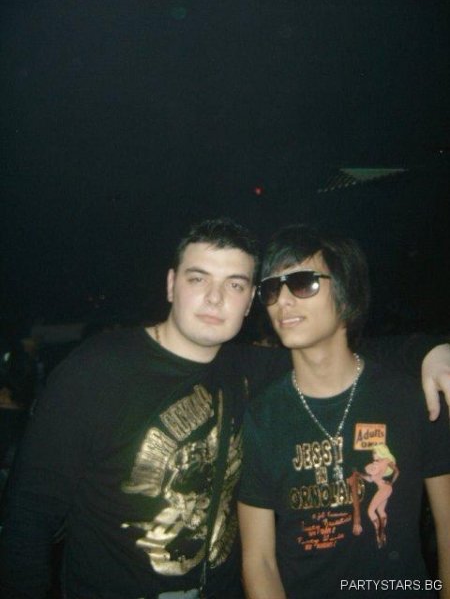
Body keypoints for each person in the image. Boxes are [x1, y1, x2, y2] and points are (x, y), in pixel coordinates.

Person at [0, 218, 449, 599]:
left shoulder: (247, 369)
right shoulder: (96, 371)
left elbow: (337, 352)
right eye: (198, 279)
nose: (215, 298)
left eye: (234, 284)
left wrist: (427, 351)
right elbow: (27, 520)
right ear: (172, 285)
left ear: (249, 301)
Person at [238, 224, 450, 599]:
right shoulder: (261, 416)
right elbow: (259, 562)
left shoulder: (412, 398)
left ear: (346, 293)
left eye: (302, 283)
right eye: (271, 289)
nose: (282, 300)